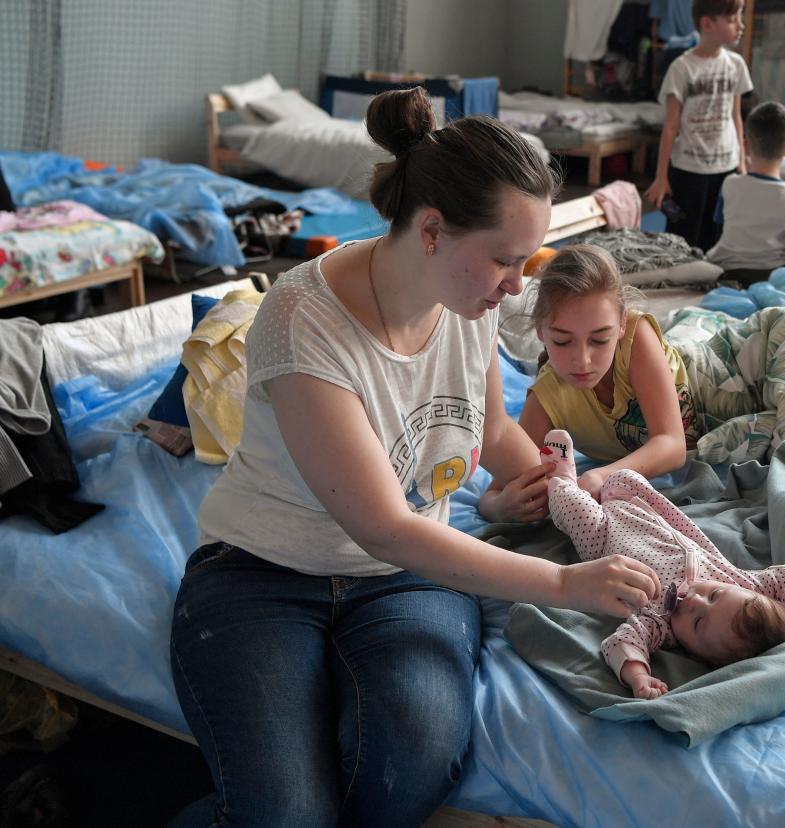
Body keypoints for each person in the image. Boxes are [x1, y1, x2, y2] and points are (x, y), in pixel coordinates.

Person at [167, 88, 662, 827]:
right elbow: (387, 528)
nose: (518, 286)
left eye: (526, 262)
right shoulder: (303, 319)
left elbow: (494, 434)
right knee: (285, 815)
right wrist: (563, 581)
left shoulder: (466, 306)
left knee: (413, 758)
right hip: (260, 576)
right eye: (505, 260)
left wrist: (586, 507)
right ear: (431, 229)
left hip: (405, 582)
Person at [541, 429, 785, 699]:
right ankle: (596, 492)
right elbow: (784, 578)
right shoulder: (741, 583)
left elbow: (623, 642)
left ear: (695, 654)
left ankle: (562, 480)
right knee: (623, 477)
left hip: (601, 539)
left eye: (698, 623)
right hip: (646, 515)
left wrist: (637, 675)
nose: (695, 601)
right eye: (714, 595)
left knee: (572, 508)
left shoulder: (658, 621)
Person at [519, 244, 697, 501]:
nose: (582, 361)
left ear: (622, 323)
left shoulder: (637, 338)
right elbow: (497, 492)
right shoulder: (545, 399)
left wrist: (602, 476)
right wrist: (499, 507)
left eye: (600, 340)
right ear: (540, 330)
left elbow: (672, 445)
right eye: (562, 341)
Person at [644, 0, 753, 251]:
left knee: (715, 235)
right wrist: (661, 177)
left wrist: (742, 161)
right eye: (733, 19)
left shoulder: (736, 64)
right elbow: (670, 126)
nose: (741, 25)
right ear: (707, 24)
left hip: (725, 167)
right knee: (682, 237)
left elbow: (735, 116)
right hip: (688, 170)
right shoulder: (681, 68)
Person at [707, 100, 785, 285]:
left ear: (746, 146)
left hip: (727, 272)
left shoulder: (729, 184)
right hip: (771, 275)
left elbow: (721, 226)